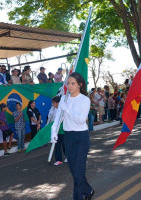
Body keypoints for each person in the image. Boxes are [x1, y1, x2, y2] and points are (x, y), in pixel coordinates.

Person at [51, 72, 94, 200]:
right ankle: (88, 190)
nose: (69, 86)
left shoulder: (85, 100)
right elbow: (58, 118)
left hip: (81, 138)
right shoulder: (65, 98)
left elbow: (81, 120)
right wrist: (54, 131)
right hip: (68, 137)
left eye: (72, 83)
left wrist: (67, 108)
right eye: (68, 83)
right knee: (74, 170)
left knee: (78, 171)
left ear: (80, 85)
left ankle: (78, 197)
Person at [47, 96, 67, 166]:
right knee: (57, 145)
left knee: (65, 145)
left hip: (64, 130)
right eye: (52, 103)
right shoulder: (53, 109)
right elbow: (50, 118)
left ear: (58, 103)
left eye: (54, 103)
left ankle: (67, 156)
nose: (53, 104)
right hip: (56, 131)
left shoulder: (63, 109)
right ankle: (58, 160)